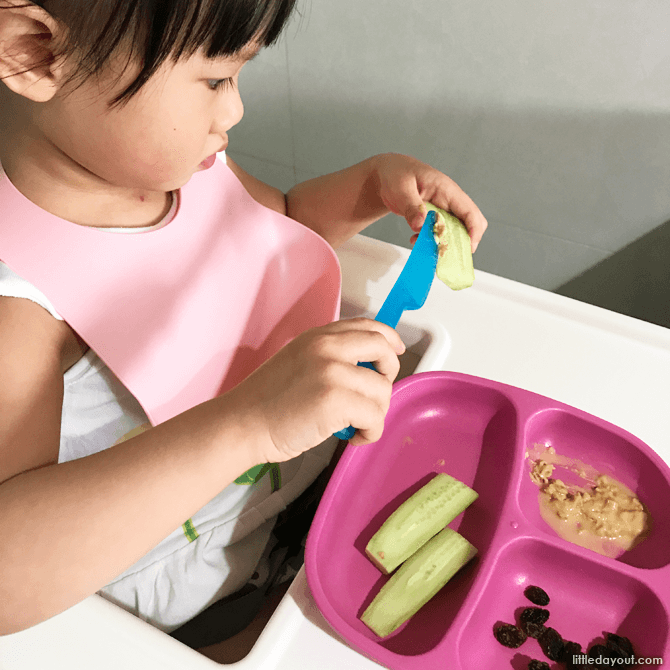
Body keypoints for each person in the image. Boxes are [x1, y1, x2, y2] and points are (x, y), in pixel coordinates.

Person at [0, 0, 488, 647]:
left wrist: (372, 184)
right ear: (34, 51)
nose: (234, 110)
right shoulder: (20, 300)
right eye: (213, 80)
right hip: (201, 581)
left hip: (301, 488)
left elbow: (276, 226)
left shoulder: (170, 168)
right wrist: (248, 424)